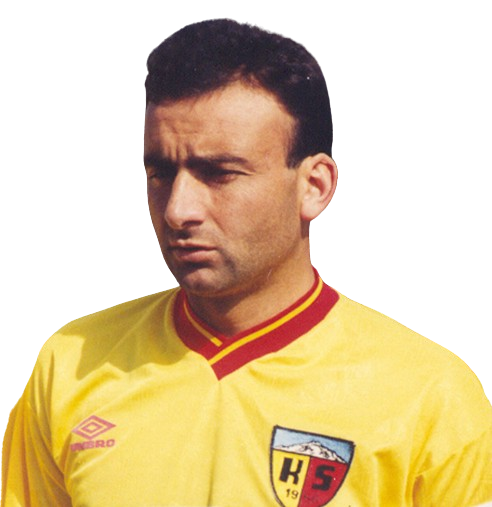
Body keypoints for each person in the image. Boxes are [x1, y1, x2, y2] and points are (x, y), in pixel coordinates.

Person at [2, 18, 491, 507]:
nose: (178, 210)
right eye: (161, 173)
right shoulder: (71, 364)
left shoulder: (432, 395)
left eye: (220, 173)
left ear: (314, 186)